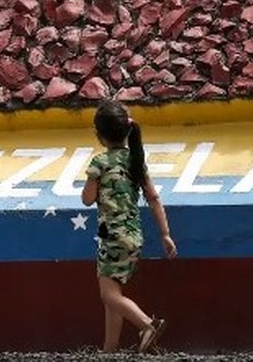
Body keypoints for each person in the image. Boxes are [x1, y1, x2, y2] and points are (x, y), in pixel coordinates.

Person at [81, 99, 177, 353]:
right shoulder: (136, 161)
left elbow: (87, 199)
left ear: (99, 135)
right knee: (114, 296)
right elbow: (154, 198)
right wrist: (165, 234)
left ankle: (147, 324)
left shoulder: (99, 163)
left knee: (108, 295)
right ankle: (109, 349)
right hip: (134, 237)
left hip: (112, 236)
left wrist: (95, 183)